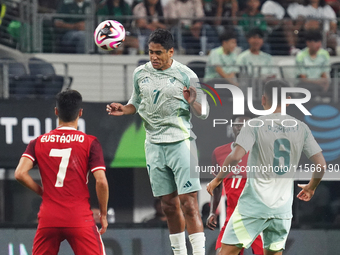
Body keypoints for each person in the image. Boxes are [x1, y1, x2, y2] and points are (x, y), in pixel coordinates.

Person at [106, 29, 209, 255]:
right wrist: (124, 109)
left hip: (182, 143)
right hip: (153, 145)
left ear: (171, 52)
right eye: (151, 52)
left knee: (190, 204)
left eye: (159, 53)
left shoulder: (186, 74)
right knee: (169, 206)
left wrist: (193, 101)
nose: (154, 57)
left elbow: (204, 112)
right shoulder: (140, 73)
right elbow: (135, 103)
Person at [207, 79, 326, 255]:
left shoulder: (254, 125)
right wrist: (311, 187)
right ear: (288, 100)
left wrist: (217, 179)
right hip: (282, 209)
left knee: (225, 253)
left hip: (254, 206)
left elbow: (235, 156)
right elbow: (321, 165)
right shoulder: (302, 128)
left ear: (263, 100)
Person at [15, 90, 109, 255]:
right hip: (79, 217)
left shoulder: (38, 142)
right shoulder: (90, 142)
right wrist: (103, 214)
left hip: (48, 218)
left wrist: (42, 192)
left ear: (56, 111)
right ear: (80, 112)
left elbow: (20, 173)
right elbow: (101, 181)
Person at [206, 114, 263, 255]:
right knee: (221, 253)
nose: (241, 128)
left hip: (257, 216)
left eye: (246, 125)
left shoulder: (262, 152)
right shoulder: (219, 152)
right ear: (232, 127)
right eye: (238, 125)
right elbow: (217, 185)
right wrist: (213, 211)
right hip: (233, 217)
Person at [295, 29, 330, 96]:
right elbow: (303, 78)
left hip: (321, 84)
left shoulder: (324, 54)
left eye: (320, 42)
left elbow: (325, 73)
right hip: (306, 84)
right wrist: (318, 83)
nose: (319, 44)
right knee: (309, 88)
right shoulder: (300, 55)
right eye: (316, 41)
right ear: (308, 43)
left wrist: (326, 85)